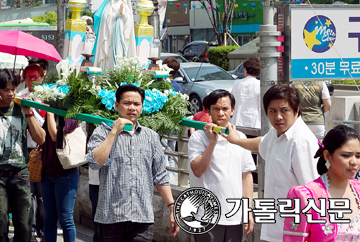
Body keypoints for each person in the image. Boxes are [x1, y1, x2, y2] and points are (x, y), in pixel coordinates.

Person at [222, 84, 320, 242]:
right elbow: (262, 143)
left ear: (297, 109)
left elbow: (313, 193)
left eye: (284, 110)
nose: (278, 116)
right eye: (272, 111)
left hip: (296, 233)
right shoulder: (277, 133)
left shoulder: (302, 142)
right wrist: (236, 140)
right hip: (277, 228)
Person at [85, 84, 178, 240]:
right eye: (127, 103)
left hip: (142, 216)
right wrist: (114, 131)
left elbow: (160, 175)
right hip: (111, 215)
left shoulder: (151, 136)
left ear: (142, 107)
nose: (132, 108)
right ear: (116, 105)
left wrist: (172, 208)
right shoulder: (102, 132)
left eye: (137, 104)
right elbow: (95, 162)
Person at [0, 69, 46, 242]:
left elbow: (41, 138)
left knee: (25, 226)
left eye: (13, 88)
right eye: (6, 90)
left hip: (20, 173)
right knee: (0, 226)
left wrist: (28, 112)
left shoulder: (22, 107)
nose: (11, 93)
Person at [188, 90, 255, 242]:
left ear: (232, 111)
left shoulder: (240, 138)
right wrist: (212, 142)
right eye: (216, 109)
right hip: (206, 216)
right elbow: (198, 170)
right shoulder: (198, 138)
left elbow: (246, 176)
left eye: (225, 109)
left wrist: (247, 211)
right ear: (209, 111)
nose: (221, 113)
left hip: (235, 216)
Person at [283, 125, 360, 241]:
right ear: (327, 156)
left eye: (358, 156)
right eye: (346, 155)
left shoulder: (358, 189)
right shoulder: (305, 196)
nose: (354, 162)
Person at [17, 64, 47, 239]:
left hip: (44, 150)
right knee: (27, 194)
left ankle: (42, 230)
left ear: (42, 77)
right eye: (28, 77)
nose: (32, 80)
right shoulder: (20, 97)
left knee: (42, 195)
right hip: (25, 150)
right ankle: (29, 229)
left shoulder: (50, 96)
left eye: (35, 76)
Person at [42, 113, 80, 242]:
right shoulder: (50, 117)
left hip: (65, 174)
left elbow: (54, 136)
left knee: (66, 219)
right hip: (47, 173)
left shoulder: (71, 117)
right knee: (49, 219)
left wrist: (50, 113)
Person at [92, 0, 136, 70]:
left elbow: (129, 20)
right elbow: (105, 19)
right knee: (110, 54)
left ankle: (119, 72)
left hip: (122, 35)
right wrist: (117, 14)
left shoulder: (125, 5)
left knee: (120, 53)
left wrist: (123, 15)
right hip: (111, 35)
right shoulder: (110, 4)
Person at [231, 57, 261, 128]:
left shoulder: (237, 83)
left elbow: (232, 101)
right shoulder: (259, 84)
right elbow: (261, 106)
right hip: (254, 121)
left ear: (246, 70)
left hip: (237, 120)